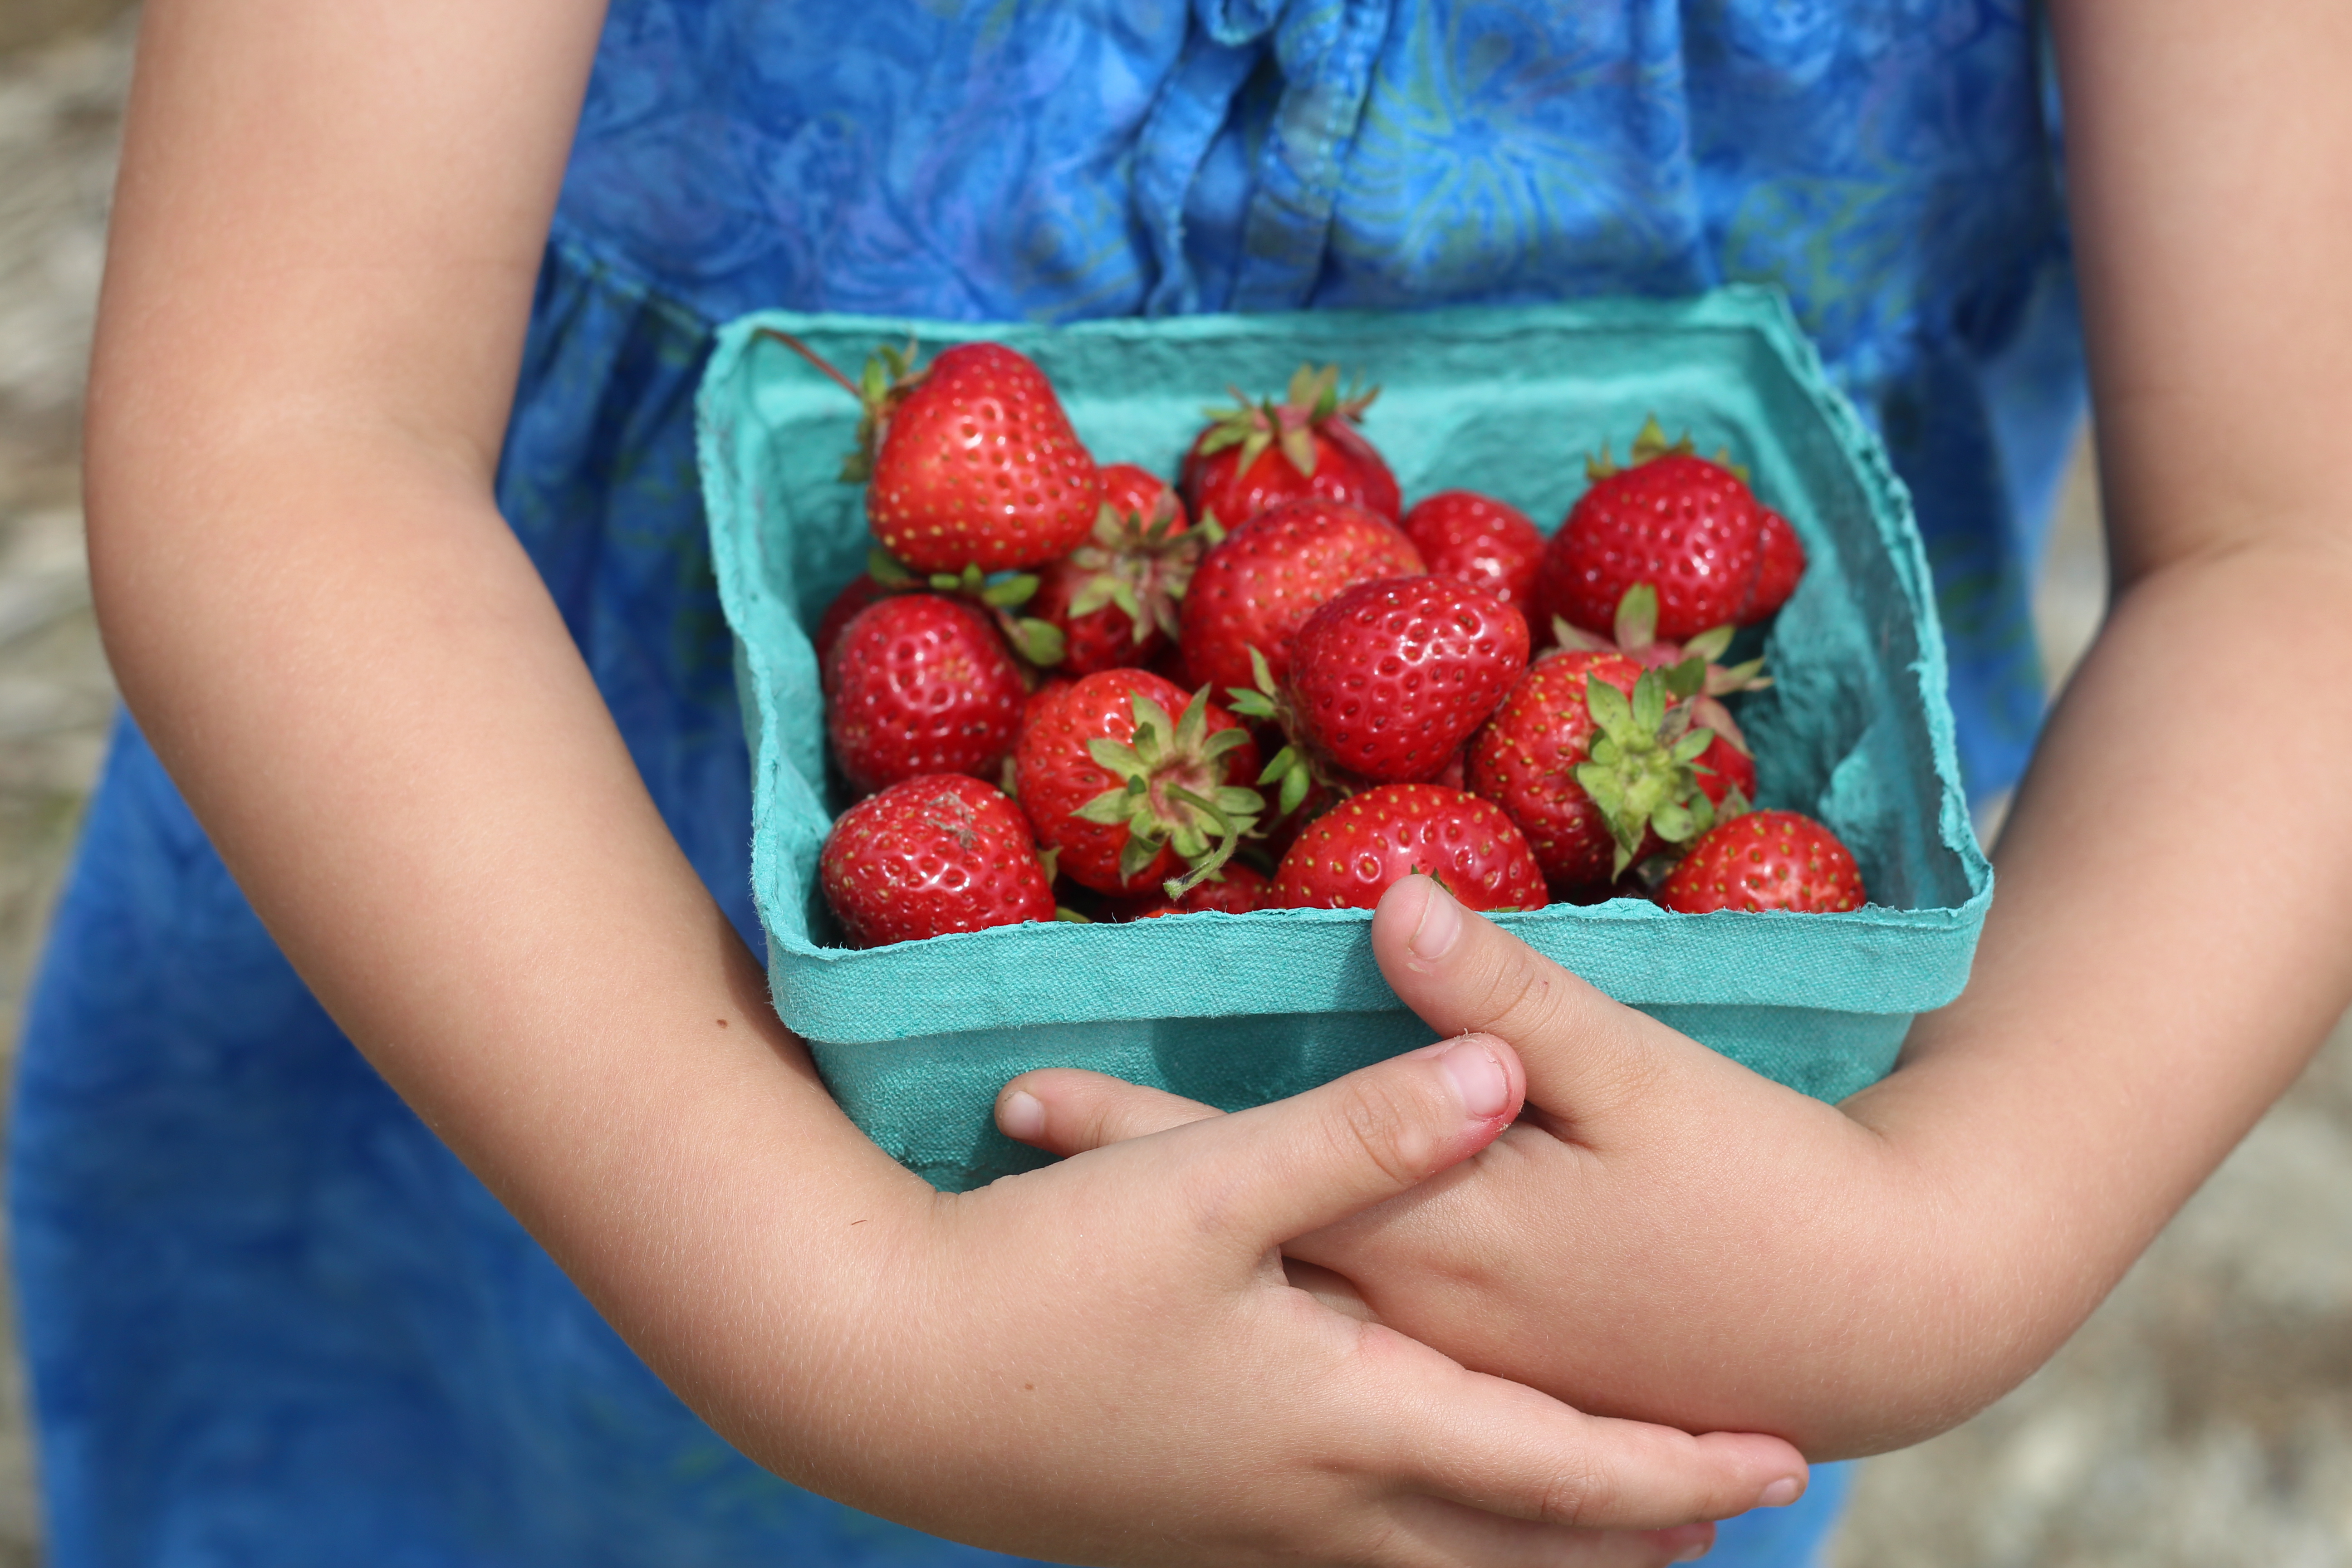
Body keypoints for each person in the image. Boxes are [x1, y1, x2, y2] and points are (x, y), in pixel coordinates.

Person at [14, 1, 2349, 1566]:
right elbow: (286, 431)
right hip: (564, 1035)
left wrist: (1960, 1229)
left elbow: (2298, 543)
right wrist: (829, 1312)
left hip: (1638, 1211)